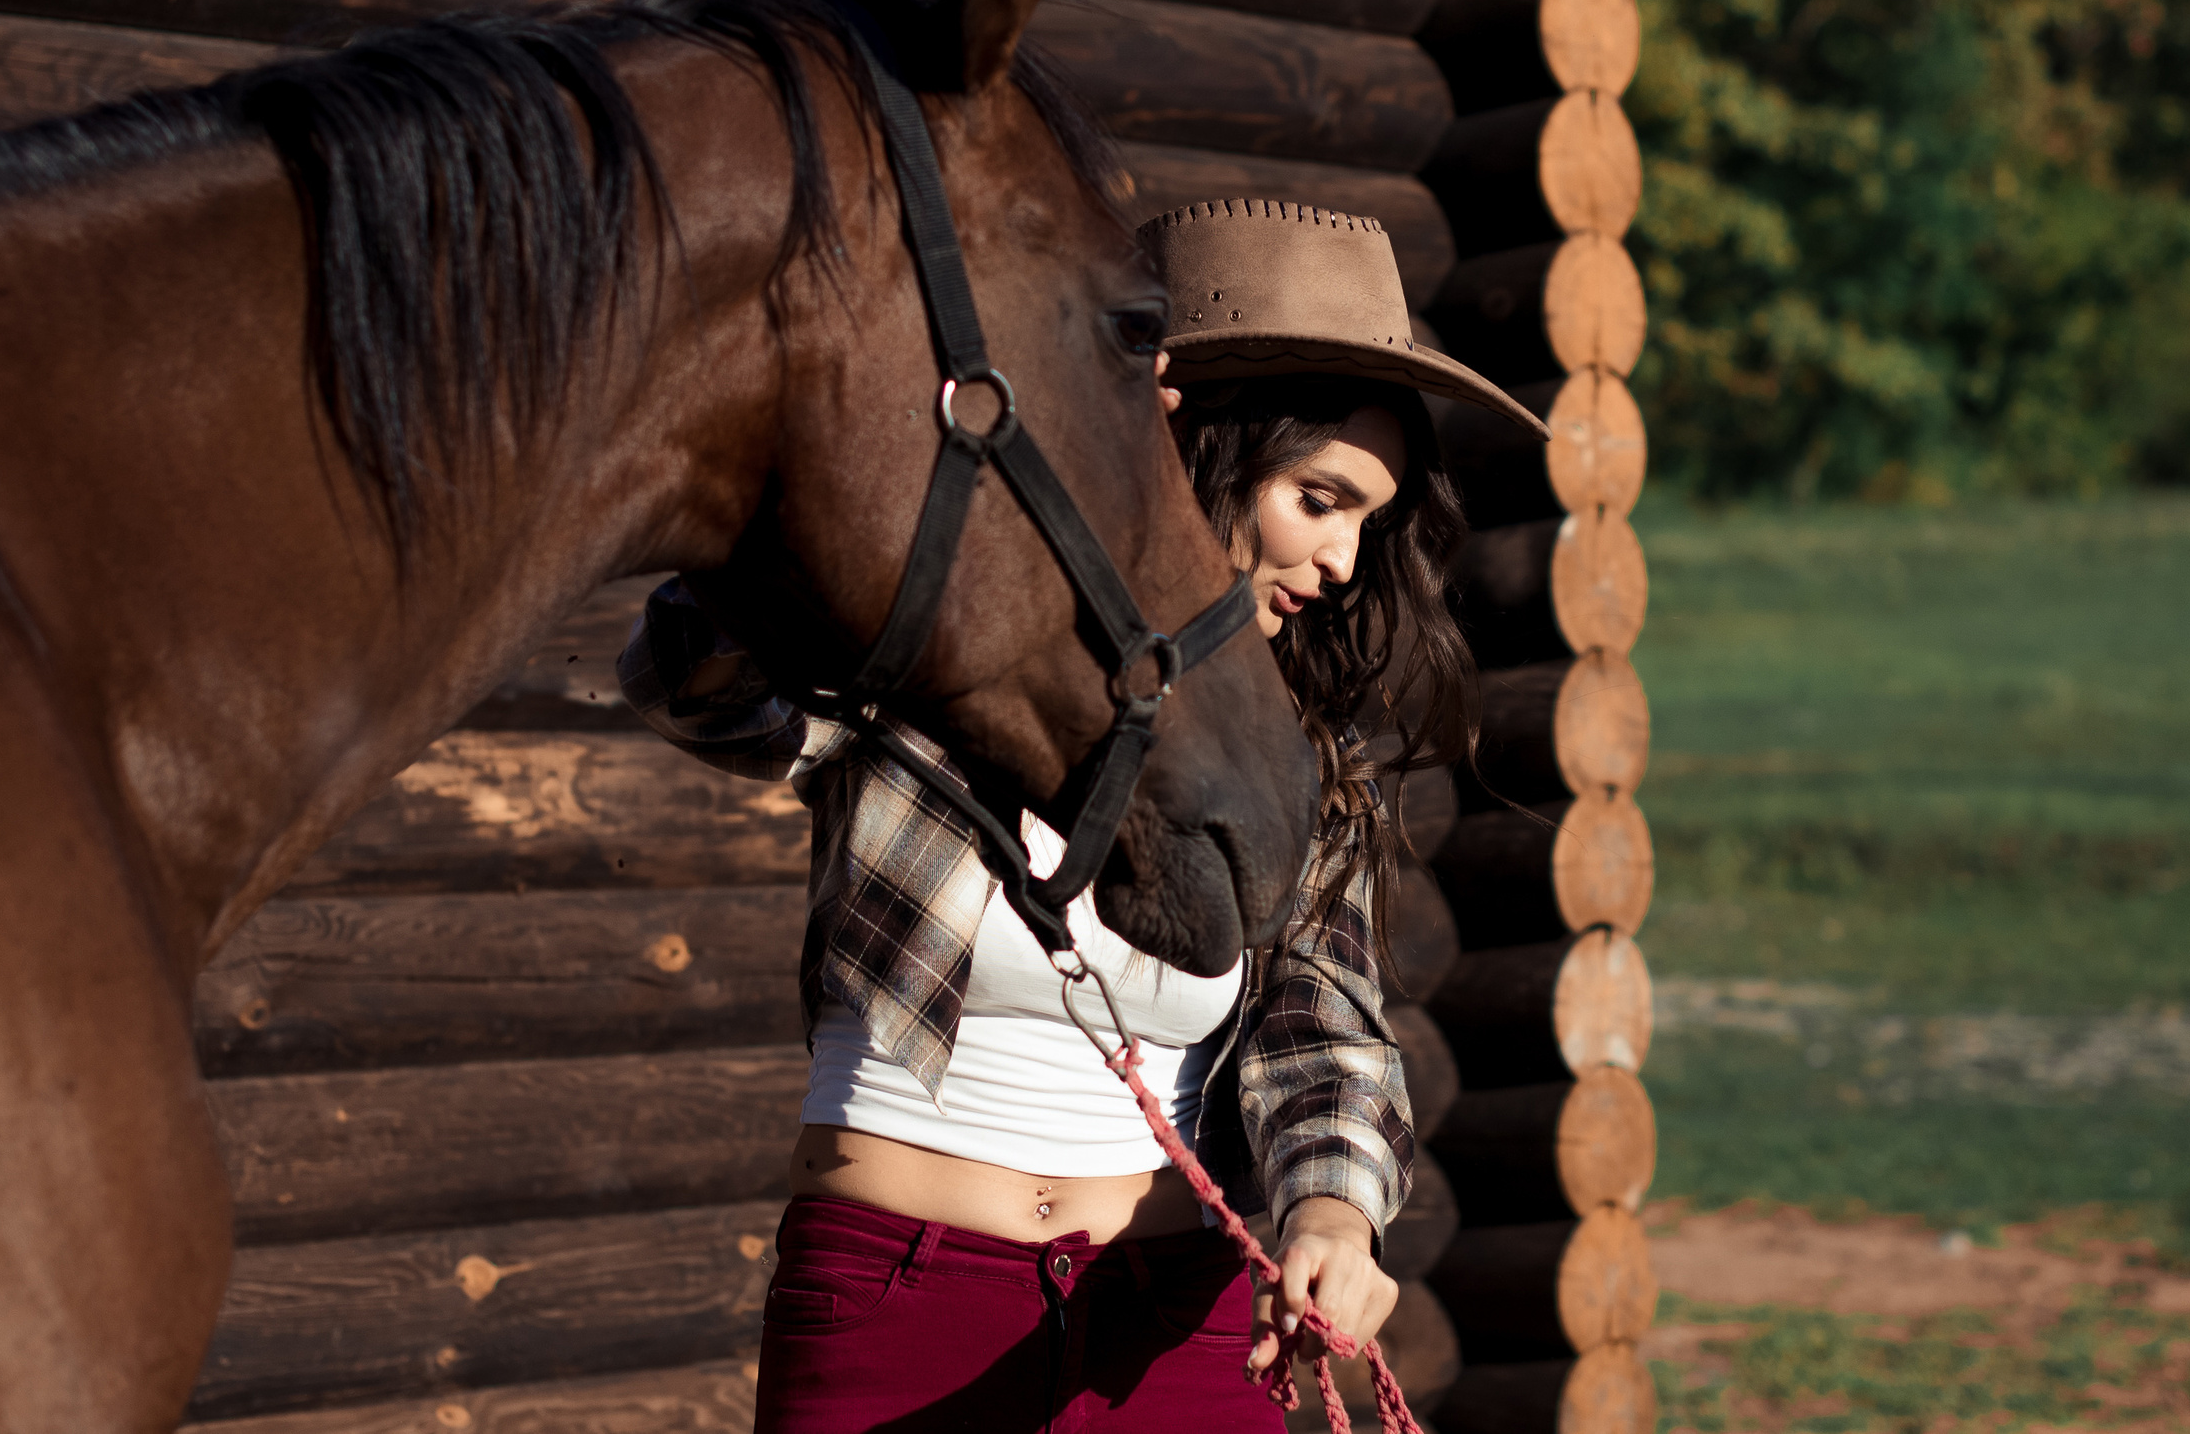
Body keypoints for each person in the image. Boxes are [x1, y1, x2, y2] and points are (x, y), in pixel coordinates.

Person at [620, 199, 1548, 1432]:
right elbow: (699, 681)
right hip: (897, 1303)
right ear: (1197, 457)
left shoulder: (1298, 757)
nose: (1339, 561)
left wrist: (1330, 1212)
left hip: (1179, 1320)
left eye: (1365, 523)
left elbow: (1326, 1033)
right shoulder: (928, 671)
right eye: (1318, 498)